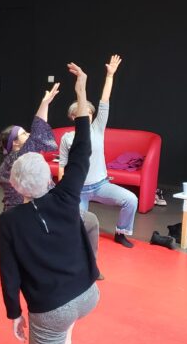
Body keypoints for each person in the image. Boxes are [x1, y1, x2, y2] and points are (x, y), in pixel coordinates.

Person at [0, 63, 158, 344]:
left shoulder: (9, 221)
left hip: (53, 310)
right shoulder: (67, 196)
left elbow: (9, 274)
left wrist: (15, 315)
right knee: (86, 224)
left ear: (17, 187)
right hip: (88, 296)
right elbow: (83, 149)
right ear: (48, 178)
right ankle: (66, 331)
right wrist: (82, 92)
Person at [0, 82, 102, 261]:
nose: (28, 134)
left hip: (21, 211)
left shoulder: (9, 162)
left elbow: (37, 131)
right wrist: (44, 104)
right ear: (15, 143)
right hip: (35, 211)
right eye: (23, 133)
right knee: (90, 221)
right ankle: (88, 263)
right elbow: (38, 130)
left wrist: (45, 103)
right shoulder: (19, 157)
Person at [58, 55, 138, 248]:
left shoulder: (97, 129)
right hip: (78, 189)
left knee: (131, 200)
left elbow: (104, 101)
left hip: (101, 185)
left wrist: (110, 76)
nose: (87, 115)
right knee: (77, 229)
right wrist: (63, 190)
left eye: (89, 112)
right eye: (82, 113)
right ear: (73, 117)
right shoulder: (67, 138)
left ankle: (121, 232)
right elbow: (62, 165)